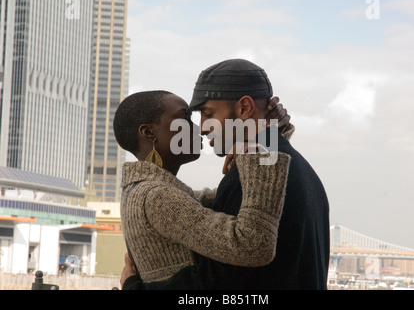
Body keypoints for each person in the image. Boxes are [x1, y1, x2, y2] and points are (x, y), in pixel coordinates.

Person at [121, 59, 330, 290]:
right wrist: (269, 140)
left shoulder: (260, 174)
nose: (201, 128)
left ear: (244, 108)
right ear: (148, 132)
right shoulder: (294, 168)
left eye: (207, 114)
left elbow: (216, 285)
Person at [114, 90, 293, 285]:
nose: (200, 129)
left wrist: (270, 135)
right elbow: (252, 246)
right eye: (185, 117)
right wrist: (260, 155)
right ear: (149, 132)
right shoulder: (157, 197)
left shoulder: (144, 192)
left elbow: (231, 196)